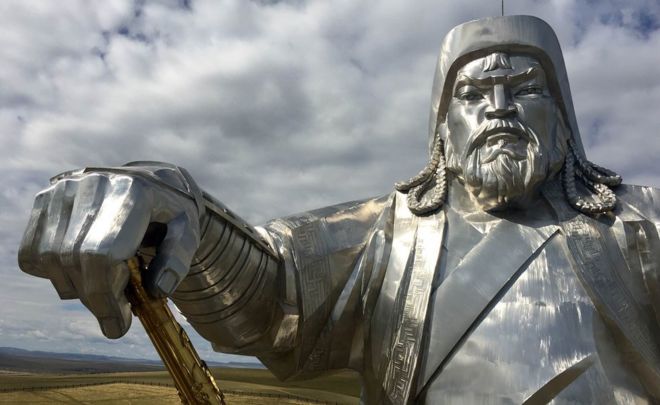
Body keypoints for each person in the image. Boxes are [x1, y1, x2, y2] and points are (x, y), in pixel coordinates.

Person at [18, 15, 660, 404]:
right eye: (473, 92)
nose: (499, 106)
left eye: (524, 88)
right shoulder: (389, 235)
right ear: (442, 129)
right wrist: (176, 209)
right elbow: (275, 287)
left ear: (566, 117)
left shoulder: (638, 226)